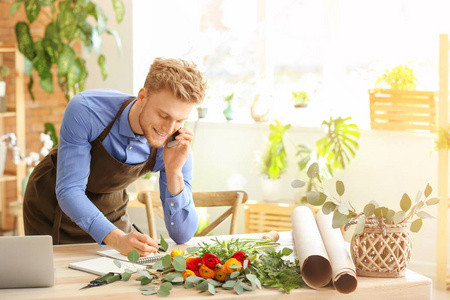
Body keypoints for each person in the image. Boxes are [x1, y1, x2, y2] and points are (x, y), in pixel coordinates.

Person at [23, 58, 207, 257]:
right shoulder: (87, 110)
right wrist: (117, 238)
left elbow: (182, 234)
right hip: (52, 207)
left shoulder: (177, 146)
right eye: (163, 115)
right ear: (142, 97)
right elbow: (69, 191)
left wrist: (174, 171)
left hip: (112, 212)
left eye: (180, 120)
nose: (169, 129)